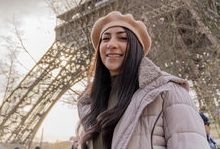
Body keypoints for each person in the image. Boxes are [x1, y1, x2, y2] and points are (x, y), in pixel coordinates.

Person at [77, 11, 209, 148]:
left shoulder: (167, 91)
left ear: (136, 48)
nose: (111, 44)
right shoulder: (92, 104)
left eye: (122, 38)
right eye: (105, 38)